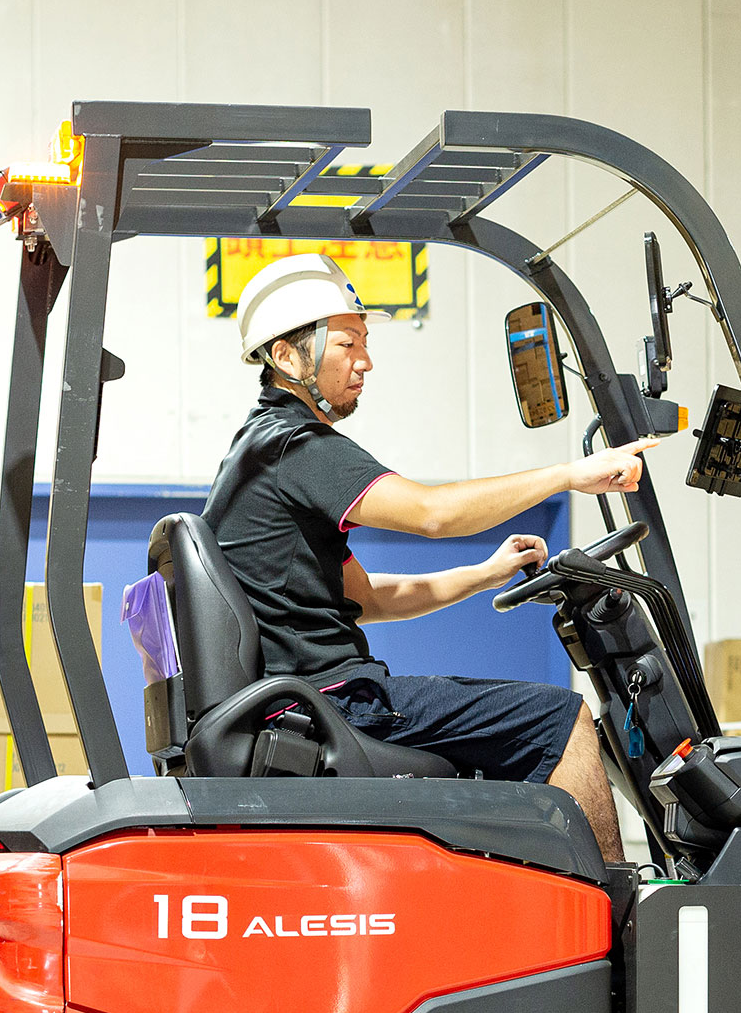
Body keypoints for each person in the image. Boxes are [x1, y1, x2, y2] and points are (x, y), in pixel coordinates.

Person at [202, 253, 655, 862]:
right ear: (287, 357)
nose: (365, 360)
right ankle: (613, 908)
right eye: (347, 344)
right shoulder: (295, 446)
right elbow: (433, 513)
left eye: (365, 343)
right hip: (334, 699)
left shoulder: (260, 449)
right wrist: (569, 475)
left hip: (315, 694)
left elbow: (367, 599)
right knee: (563, 719)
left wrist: (483, 574)